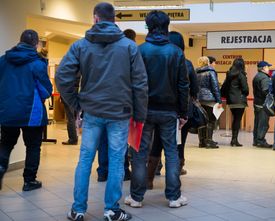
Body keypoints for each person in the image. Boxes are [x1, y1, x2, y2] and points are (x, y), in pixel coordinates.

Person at [55, 2, 148, 221]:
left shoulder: (80, 46)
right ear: (115, 20)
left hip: (92, 111)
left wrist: (77, 104)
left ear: (95, 18)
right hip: (120, 112)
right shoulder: (129, 47)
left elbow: (63, 77)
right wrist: (140, 115)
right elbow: (141, 84)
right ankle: (112, 210)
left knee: (85, 158)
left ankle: (78, 210)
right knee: (116, 159)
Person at [125, 10, 189, 209]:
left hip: (143, 111)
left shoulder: (140, 50)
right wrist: (183, 112)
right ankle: (173, 197)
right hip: (169, 111)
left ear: (148, 26)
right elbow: (183, 85)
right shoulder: (176, 52)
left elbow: (132, 82)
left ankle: (136, 197)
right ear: (167, 26)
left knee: (139, 154)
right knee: (171, 152)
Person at [0, 29, 53, 191]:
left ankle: (0, 167)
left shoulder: (3, 60)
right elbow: (45, 90)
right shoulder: (37, 63)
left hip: (7, 111)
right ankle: (29, 181)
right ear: (36, 43)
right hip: (32, 114)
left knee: (6, 143)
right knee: (33, 146)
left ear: (19, 40)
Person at [146, 31, 199, 189]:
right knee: (177, 145)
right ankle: (174, 183)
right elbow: (192, 89)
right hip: (178, 110)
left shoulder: (155, 59)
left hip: (156, 107)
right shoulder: (186, 63)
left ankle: (149, 179)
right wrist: (183, 112)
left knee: (156, 143)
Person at [96, 28, 137, 182]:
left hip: (100, 104)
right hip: (121, 104)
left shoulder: (103, 53)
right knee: (120, 140)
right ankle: (123, 170)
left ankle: (102, 171)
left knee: (103, 140)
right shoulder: (130, 54)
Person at [221, 58, 249, 147]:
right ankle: (234, 140)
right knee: (237, 120)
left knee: (234, 119)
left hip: (231, 100)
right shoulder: (241, 75)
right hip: (240, 101)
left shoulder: (229, 74)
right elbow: (245, 89)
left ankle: (234, 140)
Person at [196, 56, 222, 148]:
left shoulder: (196, 72)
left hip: (199, 100)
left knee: (202, 121)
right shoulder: (211, 72)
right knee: (211, 120)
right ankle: (209, 141)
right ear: (207, 62)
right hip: (209, 99)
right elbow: (215, 87)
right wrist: (219, 100)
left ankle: (201, 142)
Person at [252, 61, 273, 148]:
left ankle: (256, 140)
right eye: (268, 67)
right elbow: (266, 90)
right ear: (264, 68)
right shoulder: (264, 78)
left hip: (257, 103)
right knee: (263, 124)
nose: (269, 69)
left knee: (257, 123)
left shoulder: (256, 76)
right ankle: (261, 141)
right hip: (263, 104)